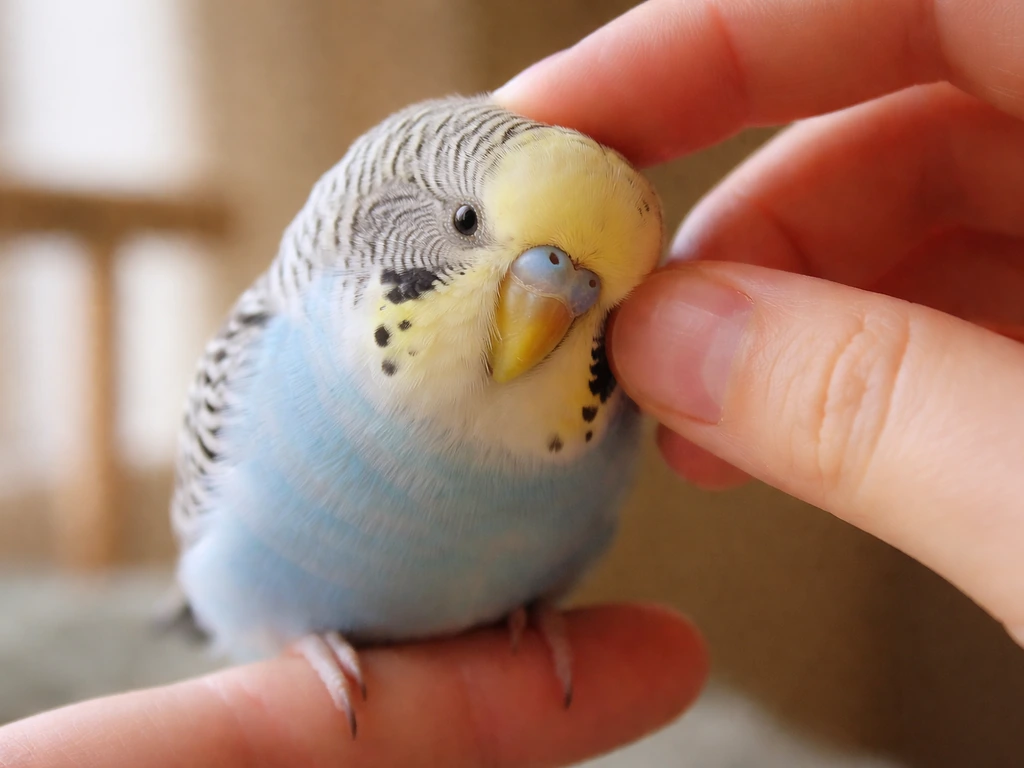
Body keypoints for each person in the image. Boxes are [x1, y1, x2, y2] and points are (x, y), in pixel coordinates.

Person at [3, 0, 1021, 764]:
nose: (546, 308)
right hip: (277, 611)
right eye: (472, 235)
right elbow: (214, 531)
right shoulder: (265, 353)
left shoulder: (602, 418)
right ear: (384, 218)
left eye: (593, 297)